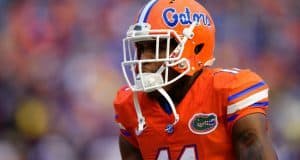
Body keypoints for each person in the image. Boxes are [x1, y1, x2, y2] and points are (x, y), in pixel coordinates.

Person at [113, 0, 277, 159]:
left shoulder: (228, 91)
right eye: (141, 48)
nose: (144, 59)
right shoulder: (131, 106)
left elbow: (253, 148)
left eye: (158, 48)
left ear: (196, 48)